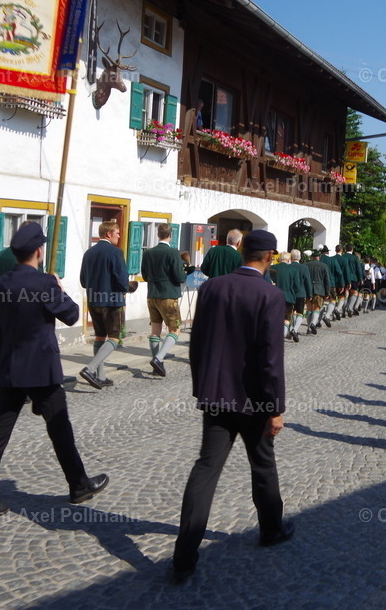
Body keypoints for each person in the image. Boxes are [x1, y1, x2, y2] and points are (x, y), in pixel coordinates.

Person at [172, 229, 294, 584]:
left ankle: (183, 556)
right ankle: (271, 529)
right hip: (254, 401)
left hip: (217, 397)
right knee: (263, 465)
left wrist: (203, 388)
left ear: (242, 251)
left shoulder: (212, 287)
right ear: (269, 256)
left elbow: (197, 343)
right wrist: (275, 407)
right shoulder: (270, 295)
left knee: (205, 469)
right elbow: (271, 359)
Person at [0, 224, 109, 523]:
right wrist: (59, 288)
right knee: (60, 429)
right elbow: (71, 315)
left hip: (11, 368)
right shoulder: (44, 283)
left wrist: (4, 361)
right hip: (41, 370)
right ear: (38, 251)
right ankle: (79, 485)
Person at [79, 220, 132, 389]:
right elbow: (121, 279)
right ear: (108, 234)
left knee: (100, 336)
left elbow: (83, 281)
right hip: (112, 300)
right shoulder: (115, 252)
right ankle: (90, 369)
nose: (119, 236)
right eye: (117, 233)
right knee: (115, 337)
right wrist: (127, 287)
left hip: (93, 299)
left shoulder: (88, 253)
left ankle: (100, 376)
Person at [141, 223, 190, 377]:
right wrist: (186, 270)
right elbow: (179, 277)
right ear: (170, 235)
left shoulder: (148, 253)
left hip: (152, 295)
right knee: (175, 329)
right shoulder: (173, 252)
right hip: (168, 296)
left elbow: (144, 275)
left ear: (158, 234)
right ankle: (159, 358)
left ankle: (157, 367)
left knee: (155, 331)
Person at [270, 252, 306, 343]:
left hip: (274, 296)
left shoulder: (273, 268)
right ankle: (282, 335)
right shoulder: (293, 269)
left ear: (279, 259)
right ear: (288, 259)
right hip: (288, 297)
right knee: (286, 318)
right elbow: (297, 286)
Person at [303, 250, 331, 333]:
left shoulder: (306, 265)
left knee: (309, 308)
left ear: (312, 257)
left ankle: (308, 328)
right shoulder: (324, 266)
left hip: (308, 289)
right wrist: (327, 292)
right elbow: (327, 280)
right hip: (319, 289)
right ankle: (313, 323)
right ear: (319, 257)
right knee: (317, 308)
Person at [288, 250, 312, 339]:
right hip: (301, 293)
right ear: (300, 257)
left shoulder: (288, 267)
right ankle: (295, 329)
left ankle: (292, 329)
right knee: (300, 313)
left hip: (290, 293)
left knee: (293, 312)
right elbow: (307, 282)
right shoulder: (304, 267)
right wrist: (309, 294)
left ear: (291, 257)